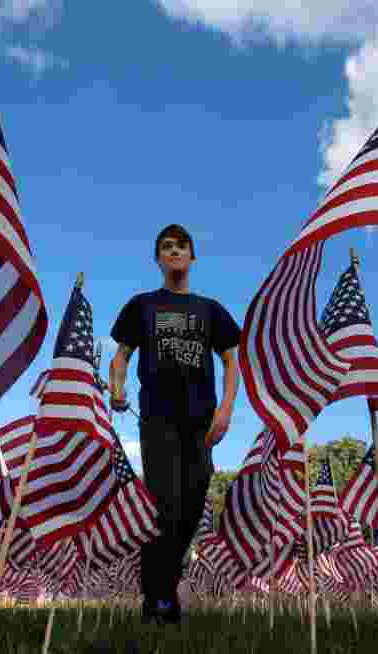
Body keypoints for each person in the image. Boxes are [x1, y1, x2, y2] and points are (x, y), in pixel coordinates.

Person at [109, 224, 241, 625]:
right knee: (164, 503)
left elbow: (232, 361)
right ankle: (159, 599)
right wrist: (116, 387)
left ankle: (162, 584)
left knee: (193, 502)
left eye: (181, 247)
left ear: (192, 257)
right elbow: (121, 355)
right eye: (166, 248)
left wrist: (226, 410)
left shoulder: (211, 309)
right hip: (157, 417)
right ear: (158, 259)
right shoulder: (142, 305)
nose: (174, 252)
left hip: (201, 420)